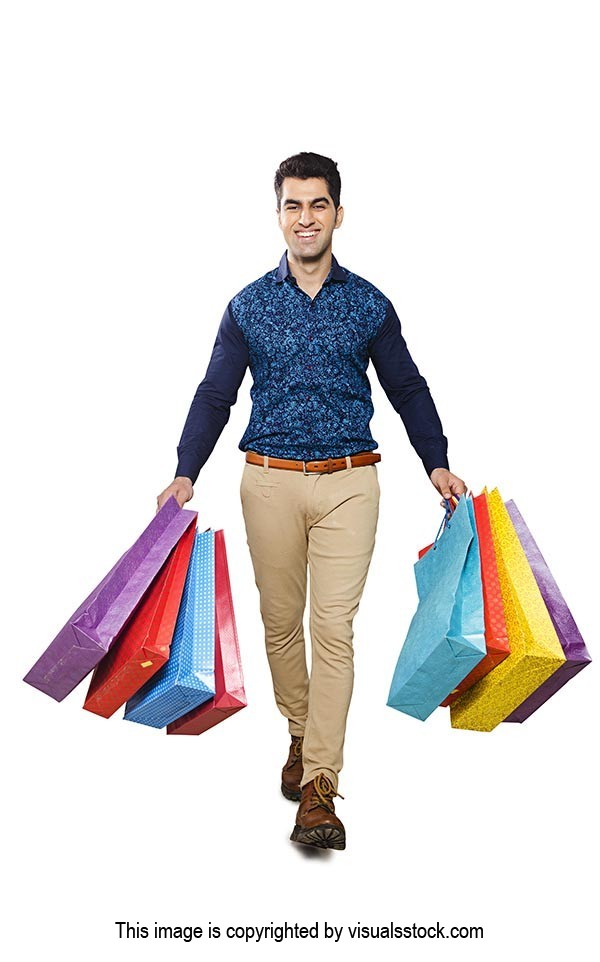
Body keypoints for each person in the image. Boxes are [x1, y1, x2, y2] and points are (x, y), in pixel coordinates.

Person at [157, 151, 466, 851]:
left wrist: (436, 461)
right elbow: (215, 393)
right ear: (279, 215)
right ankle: (300, 730)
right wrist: (185, 472)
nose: (306, 218)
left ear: (338, 214)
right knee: (278, 624)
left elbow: (407, 388)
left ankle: (320, 786)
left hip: (350, 484)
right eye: (293, 205)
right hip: (267, 480)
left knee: (334, 630)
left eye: (318, 205)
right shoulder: (248, 306)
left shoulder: (369, 304)